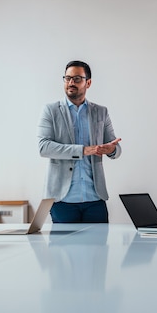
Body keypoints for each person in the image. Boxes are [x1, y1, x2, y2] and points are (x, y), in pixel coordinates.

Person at [37, 60, 122, 223]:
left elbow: (115, 147)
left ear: (88, 83)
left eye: (77, 79)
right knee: (62, 248)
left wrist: (111, 150)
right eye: (67, 78)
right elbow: (44, 147)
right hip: (62, 200)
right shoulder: (51, 110)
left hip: (95, 199)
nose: (71, 83)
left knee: (99, 248)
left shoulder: (101, 112)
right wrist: (83, 150)